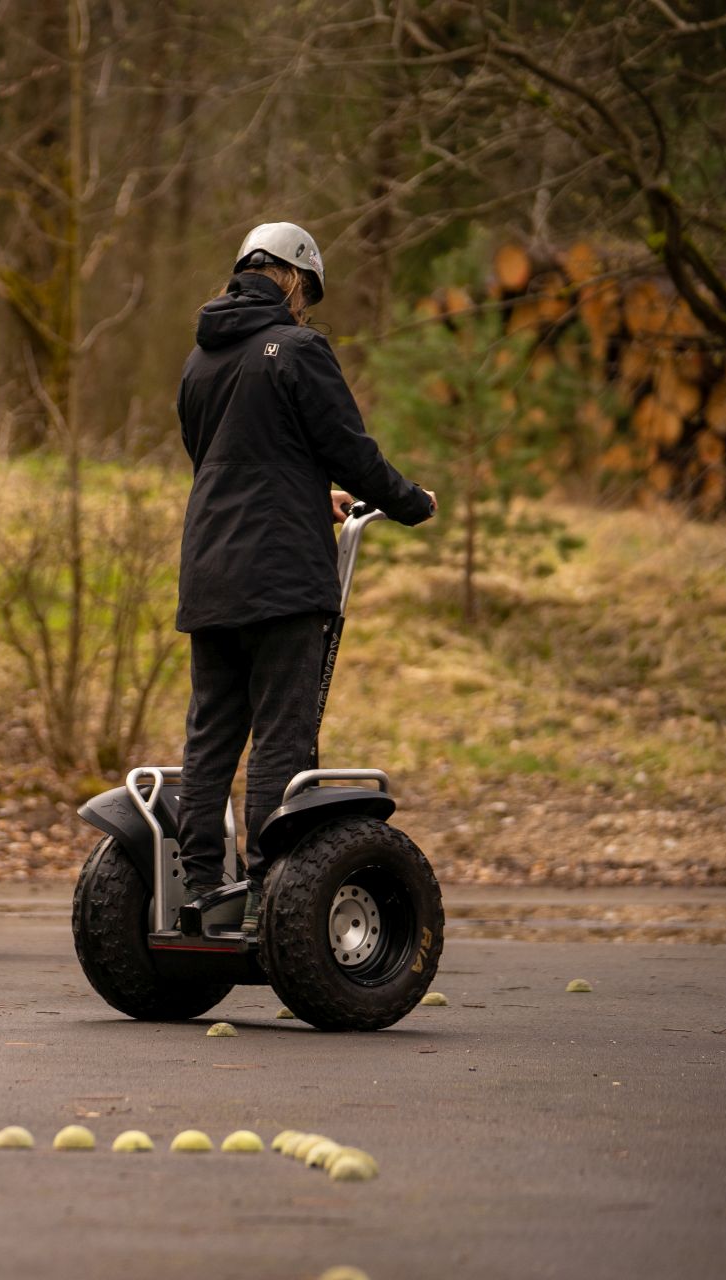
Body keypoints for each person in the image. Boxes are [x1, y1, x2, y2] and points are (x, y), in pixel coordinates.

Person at [174, 222, 437, 935]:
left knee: (211, 736)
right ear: (293, 281)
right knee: (283, 739)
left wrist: (302, 492)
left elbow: (226, 462)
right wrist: (411, 502)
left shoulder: (200, 359)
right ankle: (271, 892)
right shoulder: (299, 351)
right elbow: (349, 450)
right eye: (307, 295)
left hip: (209, 571)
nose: (306, 310)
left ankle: (200, 887)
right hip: (283, 577)